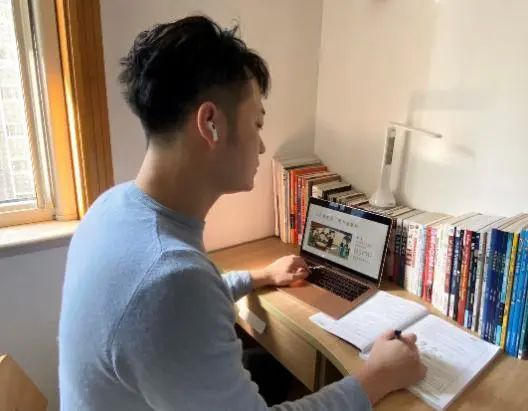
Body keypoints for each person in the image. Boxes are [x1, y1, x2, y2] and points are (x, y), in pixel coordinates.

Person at [58, 15, 426, 411]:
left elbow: (179, 296)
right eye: (257, 122)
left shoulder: (110, 208)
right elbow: (173, 294)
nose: (262, 146)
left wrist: (259, 276)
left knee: (271, 369)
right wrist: (379, 375)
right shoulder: (171, 280)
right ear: (210, 124)